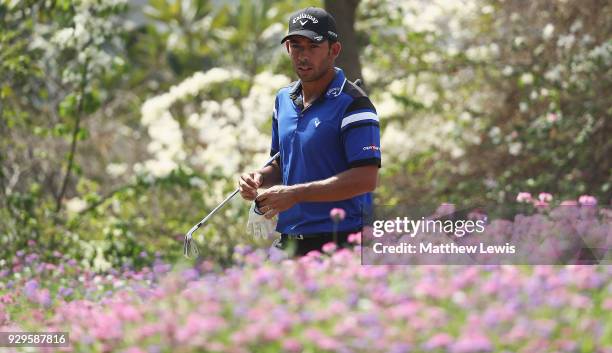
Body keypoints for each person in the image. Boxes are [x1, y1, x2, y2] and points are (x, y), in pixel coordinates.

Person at [238, 7, 381, 256]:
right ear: (287, 49)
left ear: (334, 50)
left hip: (341, 243)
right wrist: (258, 178)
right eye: (296, 46)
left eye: (313, 46)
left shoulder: (355, 103)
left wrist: (296, 194)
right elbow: (282, 163)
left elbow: (366, 179)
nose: (303, 56)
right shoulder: (283, 99)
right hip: (289, 242)